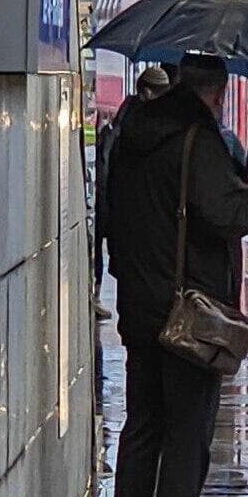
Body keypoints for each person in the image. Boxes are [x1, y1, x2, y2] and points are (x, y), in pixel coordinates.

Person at [102, 54, 248, 497]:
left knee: (143, 425)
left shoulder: (130, 131)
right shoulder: (199, 140)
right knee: (188, 429)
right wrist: (246, 194)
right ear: (216, 90)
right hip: (189, 310)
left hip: (140, 303)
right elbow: (226, 215)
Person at [93, 67, 170, 320]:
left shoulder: (119, 129)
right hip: (144, 248)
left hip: (129, 249)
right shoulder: (141, 135)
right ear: (147, 93)